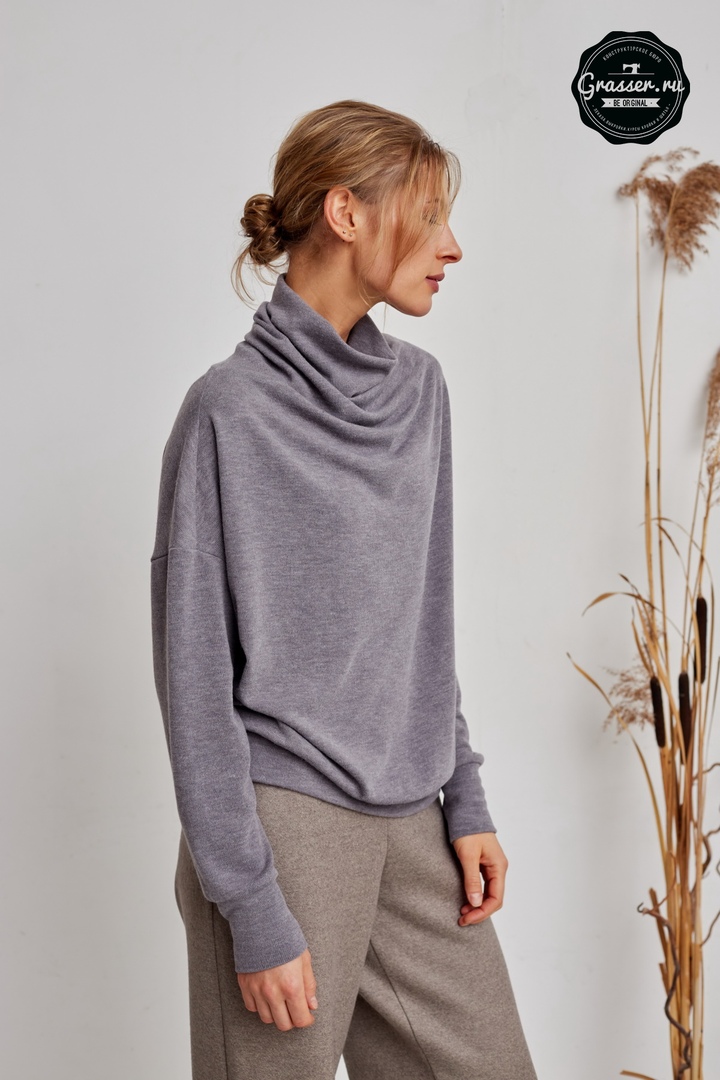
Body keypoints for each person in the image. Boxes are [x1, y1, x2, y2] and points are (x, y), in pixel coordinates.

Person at [150, 99, 537, 1080]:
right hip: (283, 831)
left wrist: (465, 796)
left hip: (416, 821)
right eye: (430, 213)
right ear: (345, 212)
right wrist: (250, 903)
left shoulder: (421, 394)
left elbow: (422, 624)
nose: (452, 245)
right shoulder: (226, 413)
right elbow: (194, 679)